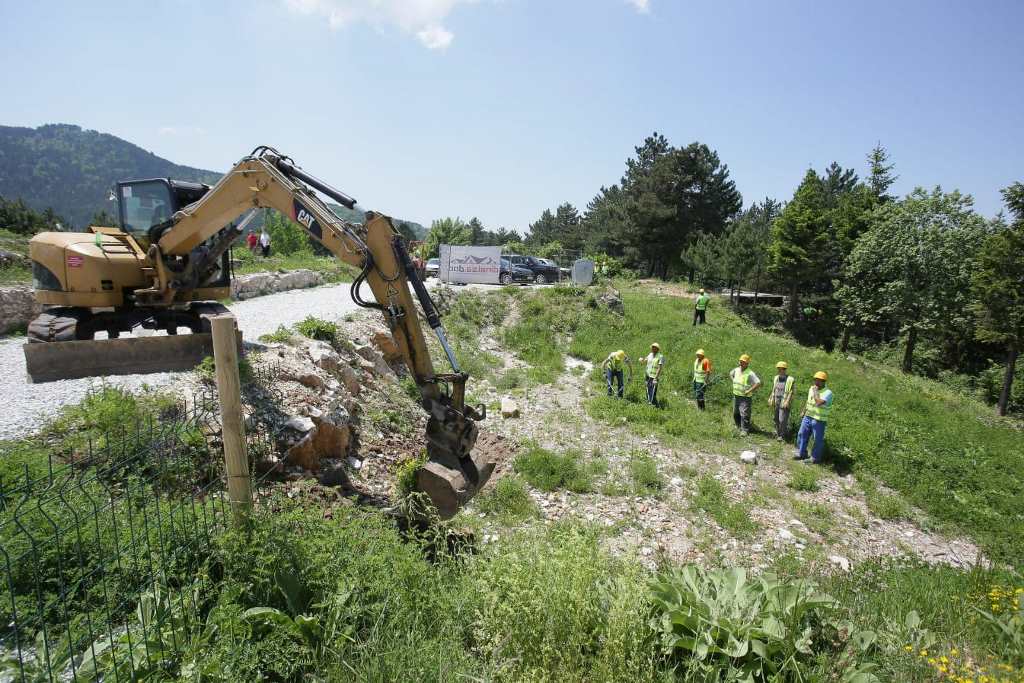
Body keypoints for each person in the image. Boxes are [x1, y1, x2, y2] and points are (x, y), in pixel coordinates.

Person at [795, 371, 834, 464]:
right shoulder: (811, 389)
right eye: (815, 380)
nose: (816, 382)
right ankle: (802, 453)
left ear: (824, 382)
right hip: (808, 416)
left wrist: (816, 391)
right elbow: (809, 401)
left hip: (819, 420)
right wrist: (804, 411)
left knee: (817, 440)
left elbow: (818, 402)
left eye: (819, 380)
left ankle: (814, 458)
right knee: (801, 434)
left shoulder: (828, 393)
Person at [729, 354, 761, 435]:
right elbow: (730, 374)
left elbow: (758, 383)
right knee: (735, 412)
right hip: (736, 395)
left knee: (744, 414)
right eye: (740, 361)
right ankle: (738, 425)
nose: (741, 363)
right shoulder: (736, 370)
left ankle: (745, 430)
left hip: (745, 397)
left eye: (743, 362)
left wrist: (749, 390)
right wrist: (733, 380)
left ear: (747, 363)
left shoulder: (750, 373)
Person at [768, 361, 796, 441]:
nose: (779, 371)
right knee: (776, 418)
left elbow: (791, 391)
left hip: (784, 401)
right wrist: (771, 397)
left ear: (785, 369)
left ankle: (782, 435)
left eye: (781, 369)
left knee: (782, 419)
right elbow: (774, 388)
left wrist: (787, 401)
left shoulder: (790, 379)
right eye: (778, 369)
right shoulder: (776, 377)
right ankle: (778, 432)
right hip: (776, 400)